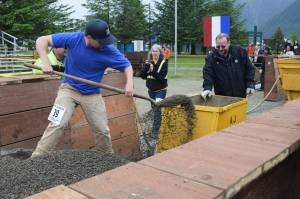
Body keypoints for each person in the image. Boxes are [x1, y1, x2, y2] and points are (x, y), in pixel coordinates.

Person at [31, 19, 134, 157]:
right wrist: (45, 62)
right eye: (101, 41)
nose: (105, 44)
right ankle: (37, 159)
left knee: (102, 130)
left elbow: (127, 66)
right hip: (68, 89)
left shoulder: (108, 50)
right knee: (56, 123)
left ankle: (107, 159)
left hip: (92, 94)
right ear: (89, 37)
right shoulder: (74, 38)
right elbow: (41, 40)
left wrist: (129, 83)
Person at [201, 33, 255, 99]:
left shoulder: (240, 52)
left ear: (229, 43)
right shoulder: (211, 57)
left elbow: (249, 69)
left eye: (223, 46)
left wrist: (250, 85)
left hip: (240, 94)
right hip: (222, 96)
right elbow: (208, 73)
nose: (220, 49)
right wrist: (207, 88)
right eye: (218, 46)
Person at [139, 44, 168, 154]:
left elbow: (160, 78)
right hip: (151, 91)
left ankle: (155, 131)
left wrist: (152, 71)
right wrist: (146, 68)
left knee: (157, 109)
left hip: (161, 91)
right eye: (153, 51)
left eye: (157, 51)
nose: (154, 53)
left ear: (160, 52)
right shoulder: (148, 62)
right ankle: (158, 125)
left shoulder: (164, 63)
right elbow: (141, 75)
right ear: (151, 52)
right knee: (155, 109)